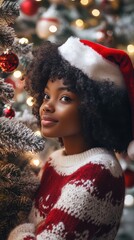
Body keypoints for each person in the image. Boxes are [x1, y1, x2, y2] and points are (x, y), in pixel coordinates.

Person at [8, 37, 134, 240]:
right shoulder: (54, 160)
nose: (47, 106)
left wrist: (18, 230)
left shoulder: (100, 170)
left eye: (65, 98)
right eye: (47, 96)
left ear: (95, 108)